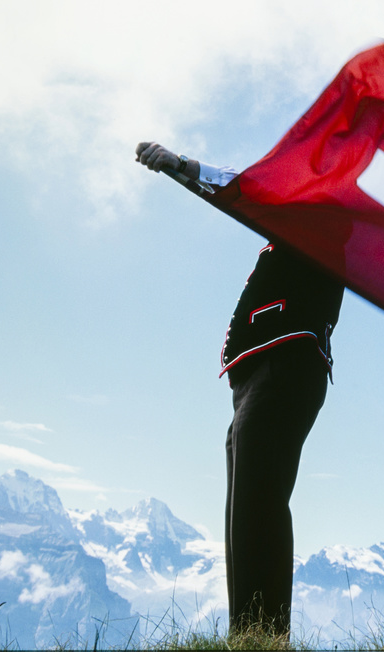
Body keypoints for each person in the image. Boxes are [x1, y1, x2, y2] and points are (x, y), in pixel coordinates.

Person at [135, 141, 344, 637]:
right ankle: (250, 638)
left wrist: (184, 167)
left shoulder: (324, 216)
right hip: (257, 376)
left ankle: (260, 638)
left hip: (285, 365)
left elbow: (246, 190)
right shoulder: (299, 220)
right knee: (244, 508)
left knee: (258, 506)